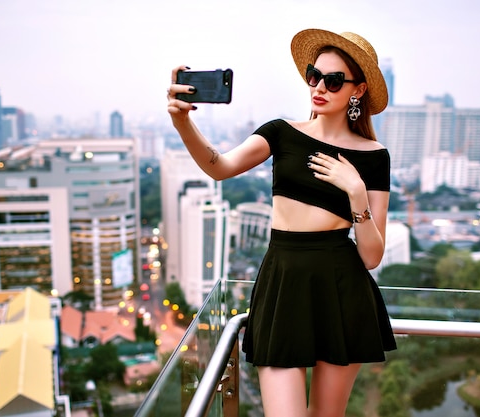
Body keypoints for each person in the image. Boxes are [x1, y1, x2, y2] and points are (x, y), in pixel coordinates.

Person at [167, 28, 396, 417]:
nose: (319, 86)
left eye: (334, 80)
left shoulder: (375, 157)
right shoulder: (282, 133)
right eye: (314, 75)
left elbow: (372, 256)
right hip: (283, 285)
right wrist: (183, 124)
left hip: (344, 292)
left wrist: (356, 192)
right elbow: (219, 167)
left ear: (357, 91)